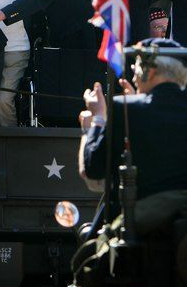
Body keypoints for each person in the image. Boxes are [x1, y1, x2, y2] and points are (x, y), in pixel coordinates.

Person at [80, 38, 187, 201]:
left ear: (149, 72)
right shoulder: (130, 109)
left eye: (135, 67)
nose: (134, 77)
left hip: (141, 222)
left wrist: (97, 118)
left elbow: (93, 170)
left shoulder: (124, 108)